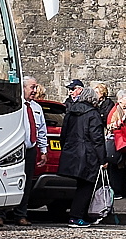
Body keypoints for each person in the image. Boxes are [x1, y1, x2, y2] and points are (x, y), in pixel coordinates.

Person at [57, 86, 107, 226]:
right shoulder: (93, 114)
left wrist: (66, 149)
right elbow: (97, 139)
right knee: (86, 186)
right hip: (88, 154)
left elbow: (64, 134)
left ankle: (82, 214)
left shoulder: (71, 111)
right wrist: (103, 159)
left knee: (81, 185)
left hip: (73, 151)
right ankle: (76, 216)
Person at [10, 76, 48, 225]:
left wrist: (44, 151)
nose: (35, 91)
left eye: (36, 87)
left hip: (30, 149)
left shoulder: (37, 108)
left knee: (26, 182)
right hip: (14, 149)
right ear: (23, 88)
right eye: (32, 87)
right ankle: (0, 214)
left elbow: (41, 131)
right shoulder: (15, 106)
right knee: (10, 180)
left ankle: (21, 214)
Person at [106, 89, 126, 199]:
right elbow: (110, 126)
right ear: (119, 100)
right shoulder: (114, 111)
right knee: (117, 166)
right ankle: (116, 191)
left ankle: (125, 190)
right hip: (117, 143)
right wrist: (122, 119)